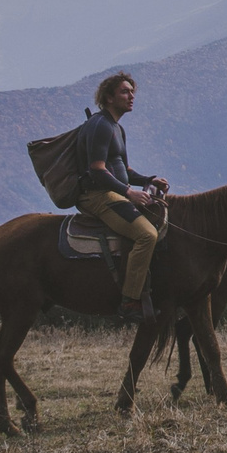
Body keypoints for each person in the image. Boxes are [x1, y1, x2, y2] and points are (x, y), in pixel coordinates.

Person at [76, 72, 168, 322]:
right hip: (98, 196)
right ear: (108, 97)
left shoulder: (117, 127)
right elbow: (97, 170)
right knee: (147, 235)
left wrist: (147, 180)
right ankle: (130, 301)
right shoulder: (100, 126)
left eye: (132, 91)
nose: (131, 96)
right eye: (125, 92)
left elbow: (122, 169)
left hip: (113, 191)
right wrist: (128, 192)